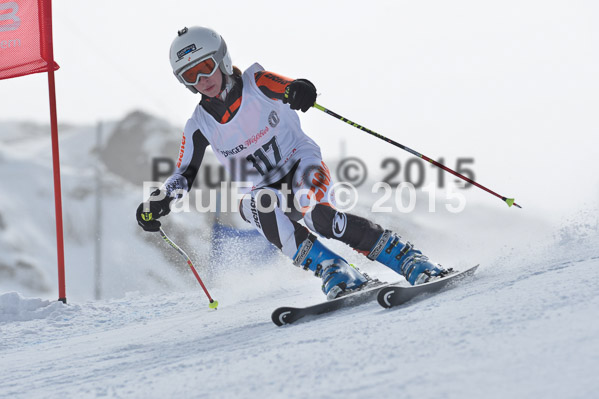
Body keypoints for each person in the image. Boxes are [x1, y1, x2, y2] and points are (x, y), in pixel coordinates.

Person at [136, 26, 449, 299]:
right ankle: (335, 271)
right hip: (263, 189)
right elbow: (185, 173)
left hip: (301, 165)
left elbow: (283, 85)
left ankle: (409, 259)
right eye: (190, 75)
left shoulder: (256, 83)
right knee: (255, 205)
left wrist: (297, 90)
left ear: (222, 59)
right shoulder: (200, 124)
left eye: (205, 67)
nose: (202, 79)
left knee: (317, 215)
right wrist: (162, 198)